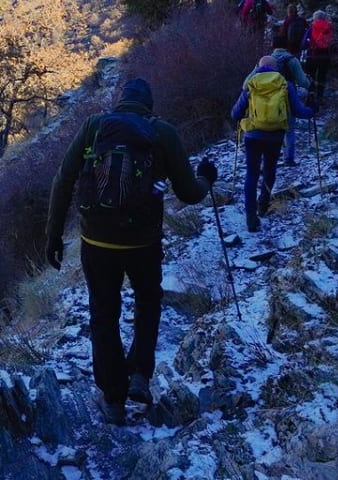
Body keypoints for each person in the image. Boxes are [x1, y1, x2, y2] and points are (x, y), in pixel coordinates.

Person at [45, 78, 217, 426]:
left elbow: (63, 179)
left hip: (97, 241)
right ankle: (139, 374)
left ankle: (113, 400)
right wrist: (207, 179)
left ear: (120, 101)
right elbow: (189, 193)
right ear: (149, 106)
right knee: (148, 300)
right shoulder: (162, 132)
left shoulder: (95, 126)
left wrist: (53, 236)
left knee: (103, 315)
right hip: (143, 242)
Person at [231, 56, 314, 232]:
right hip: (275, 136)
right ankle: (263, 204)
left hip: (253, 136)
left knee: (251, 174)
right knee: (270, 170)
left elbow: (235, 114)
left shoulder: (251, 84)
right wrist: (313, 109)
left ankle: (251, 217)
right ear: (276, 68)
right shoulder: (285, 84)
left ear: (258, 67)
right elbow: (299, 111)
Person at [244, 43, 311, 168]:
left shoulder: (265, 61)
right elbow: (304, 82)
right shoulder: (292, 60)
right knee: (290, 130)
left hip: (263, 105)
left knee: (267, 129)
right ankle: (289, 159)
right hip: (287, 99)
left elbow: (245, 84)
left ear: (274, 47)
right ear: (286, 47)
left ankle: (265, 160)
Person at [302, 10, 335, 102]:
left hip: (312, 56)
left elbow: (304, 44)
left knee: (311, 76)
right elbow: (334, 44)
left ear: (314, 18)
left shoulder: (311, 29)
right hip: (325, 57)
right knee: (322, 77)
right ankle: (320, 97)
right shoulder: (330, 28)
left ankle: (311, 95)